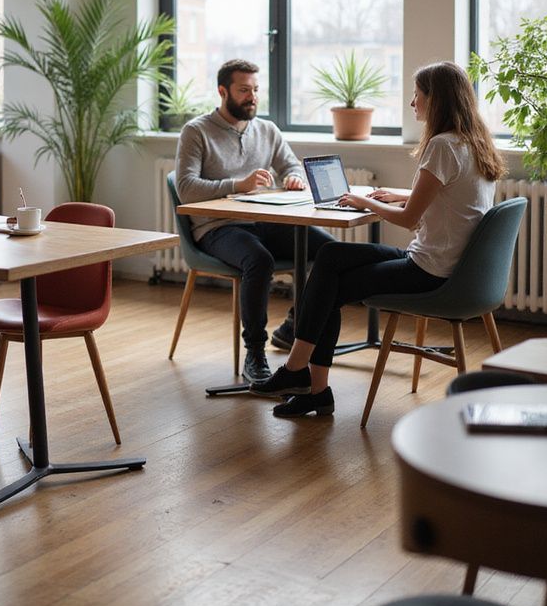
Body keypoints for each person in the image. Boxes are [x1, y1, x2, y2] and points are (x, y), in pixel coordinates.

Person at [249, 61, 506, 417]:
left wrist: (365, 202)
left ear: (436, 100)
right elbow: (454, 197)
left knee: (329, 283)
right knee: (330, 256)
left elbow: (409, 219)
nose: (412, 103)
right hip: (453, 267)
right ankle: (304, 379)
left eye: (417, 95)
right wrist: (400, 195)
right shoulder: (473, 143)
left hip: (429, 271)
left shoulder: (442, 147)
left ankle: (304, 379)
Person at [175, 59, 333, 384]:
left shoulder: (267, 130)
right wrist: (237, 185)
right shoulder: (196, 131)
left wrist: (294, 178)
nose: (253, 97)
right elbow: (186, 189)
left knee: (331, 252)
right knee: (259, 260)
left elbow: (292, 166)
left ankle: (294, 326)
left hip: (265, 220)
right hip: (218, 227)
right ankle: (255, 352)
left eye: (256, 90)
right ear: (223, 91)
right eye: (244, 90)